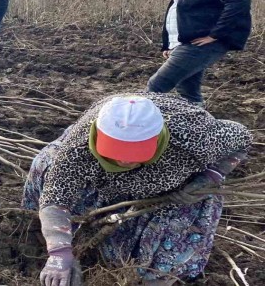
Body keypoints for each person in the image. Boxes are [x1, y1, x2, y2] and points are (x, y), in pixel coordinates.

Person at [23, 93, 252, 285]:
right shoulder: (79, 146)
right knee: (47, 162)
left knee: (163, 252)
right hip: (100, 181)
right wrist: (59, 253)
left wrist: (212, 175)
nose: (123, 161)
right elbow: (55, 198)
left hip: (169, 192)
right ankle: (57, 231)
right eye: (115, 151)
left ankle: (160, 272)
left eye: (134, 154)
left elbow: (242, 138)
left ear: (158, 139)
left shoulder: (195, 136)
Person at [147, 0, 251, 107]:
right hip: (187, 43)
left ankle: (143, 130)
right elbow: (183, 13)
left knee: (156, 86)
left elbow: (239, 2)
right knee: (189, 94)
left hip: (200, 44)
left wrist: (216, 34)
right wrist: (170, 44)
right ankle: (198, 128)